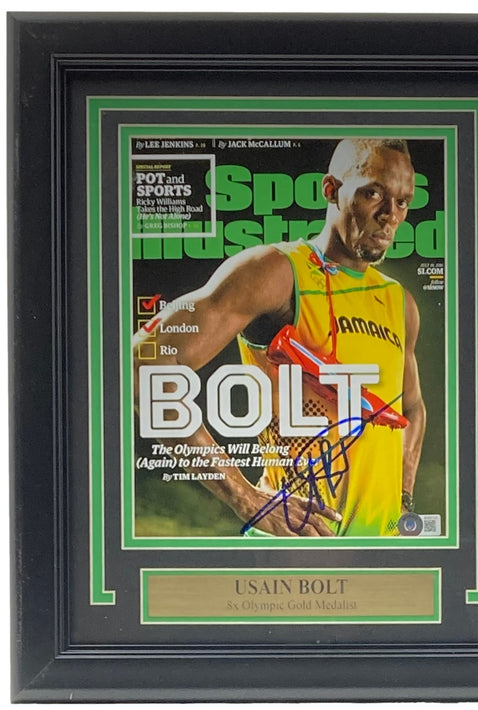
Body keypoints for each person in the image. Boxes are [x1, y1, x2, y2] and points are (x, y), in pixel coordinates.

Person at [133, 139, 426, 537]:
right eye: (373, 193)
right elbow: (143, 364)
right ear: (332, 190)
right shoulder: (276, 272)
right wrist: (244, 497)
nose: (390, 215)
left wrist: (403, 499)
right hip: (293, 545)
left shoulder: (399, 302)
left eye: (403, 202)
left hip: (380, 552)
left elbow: (411, 409)